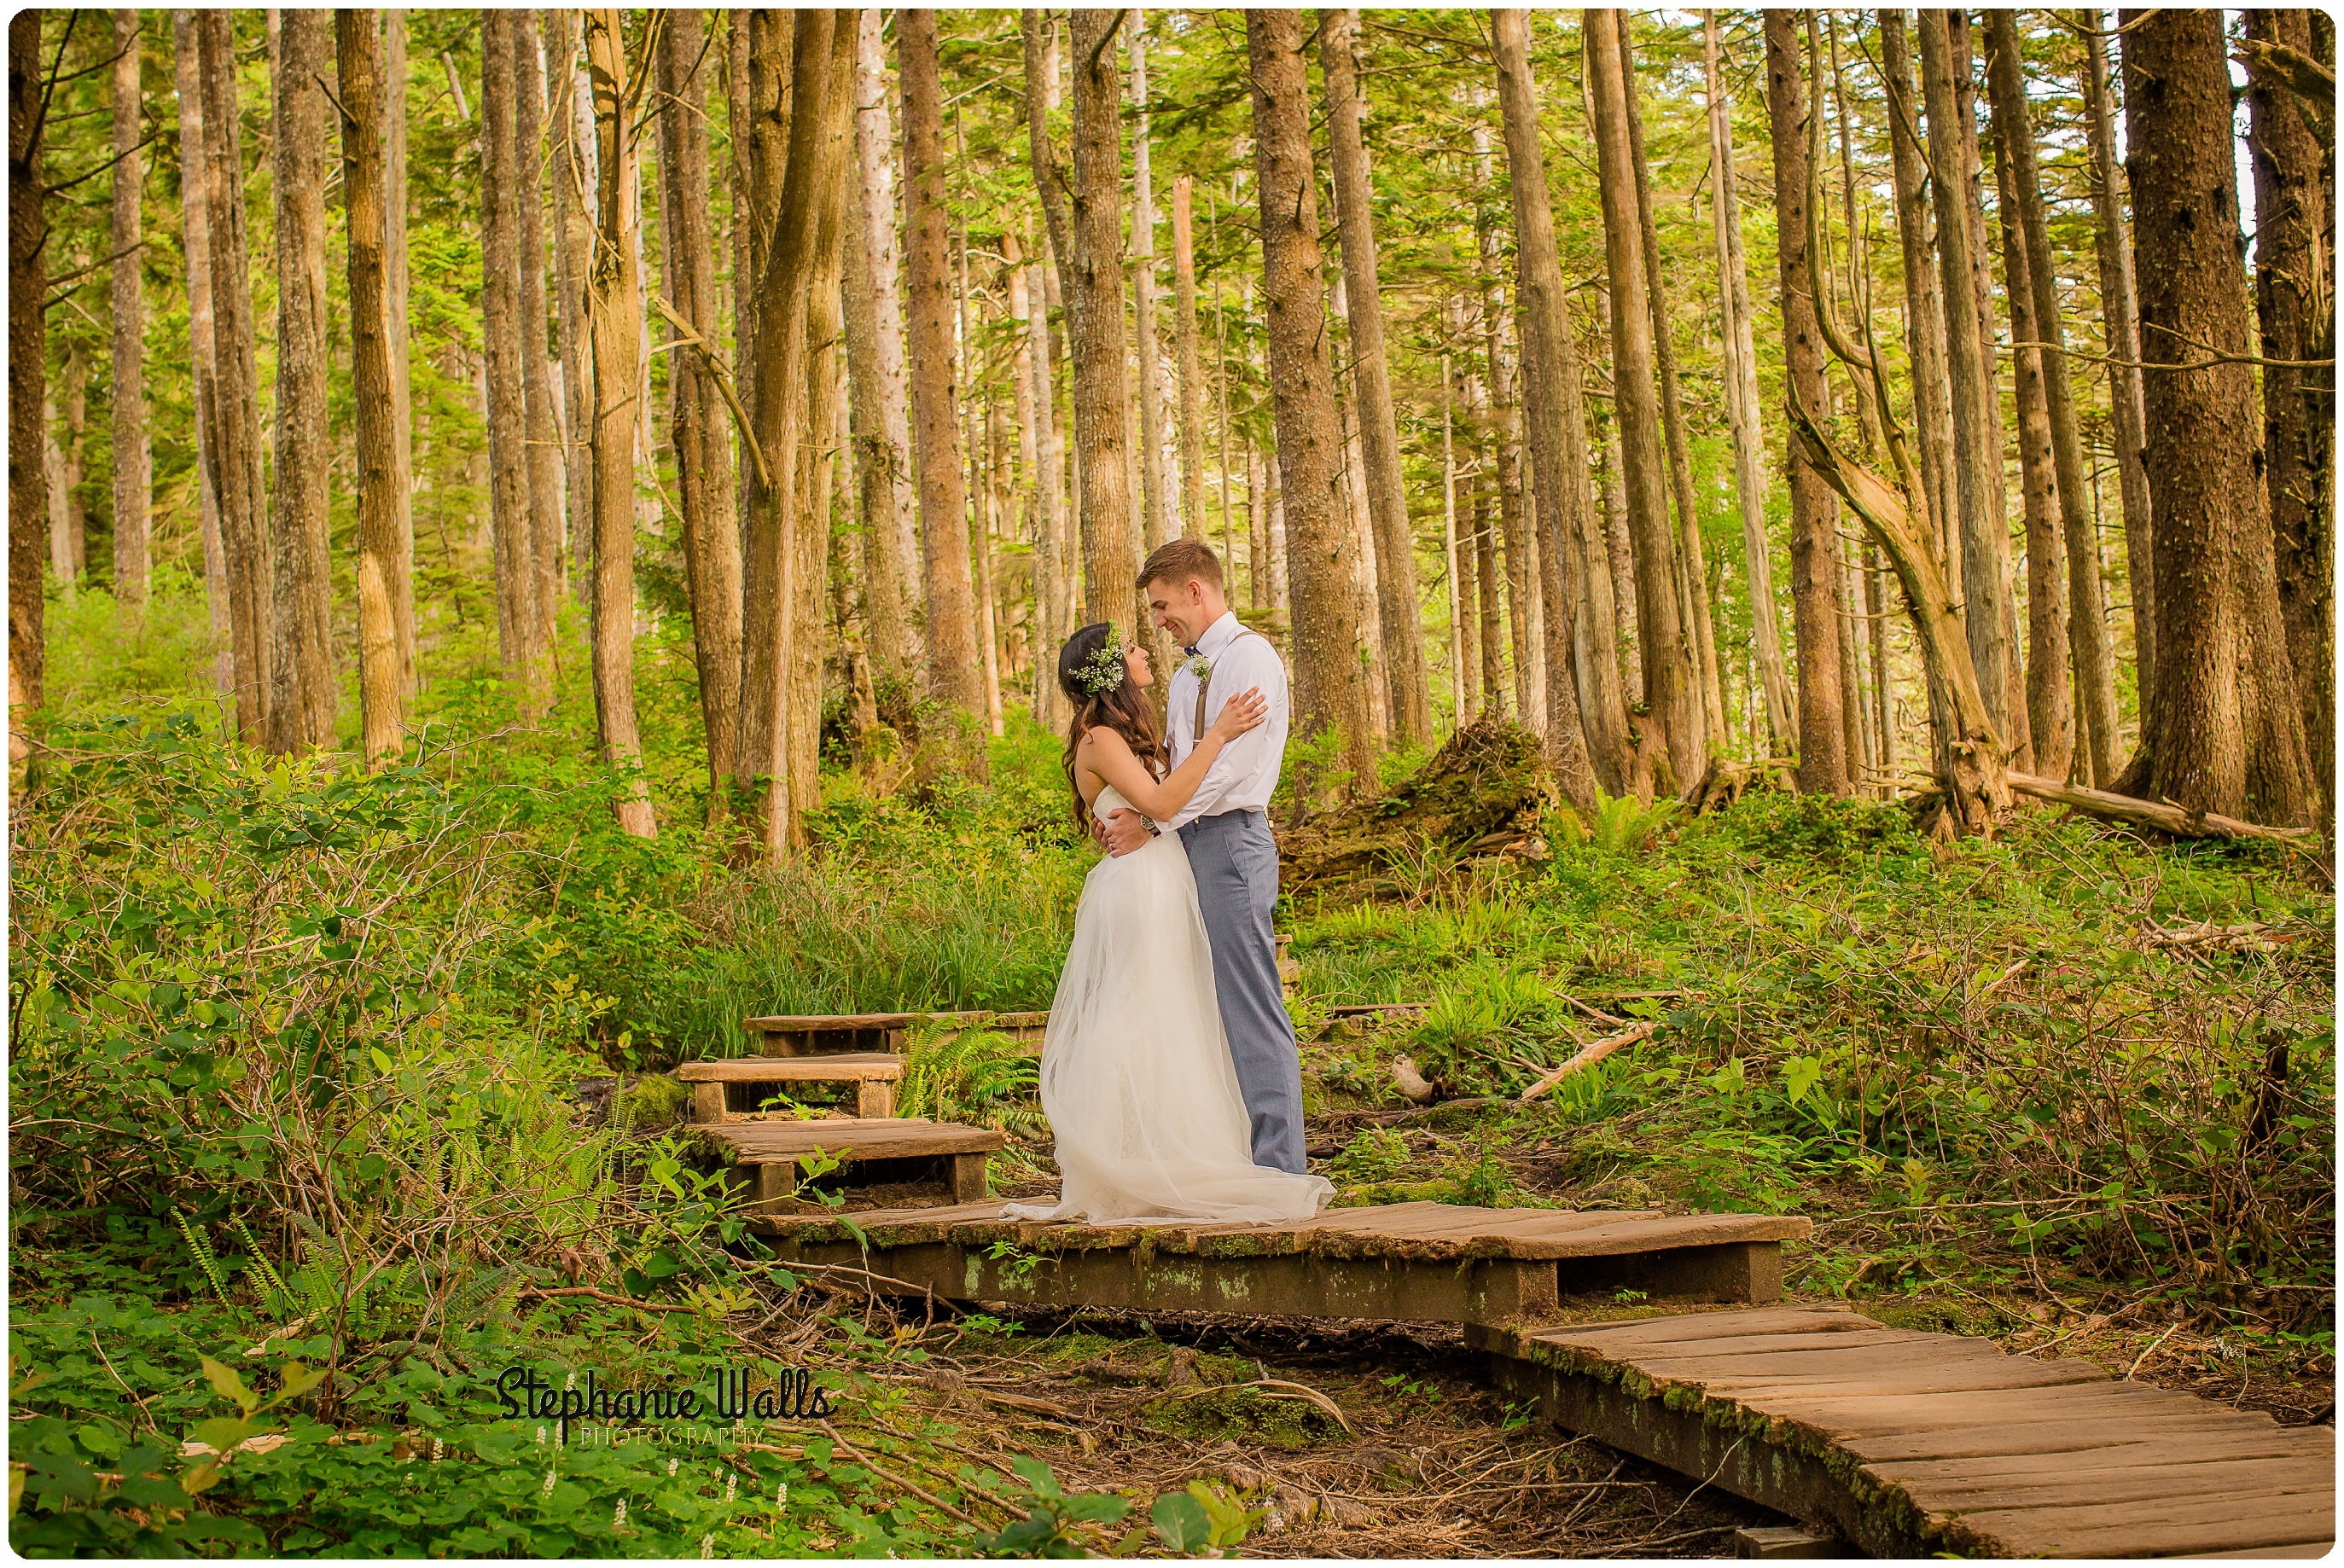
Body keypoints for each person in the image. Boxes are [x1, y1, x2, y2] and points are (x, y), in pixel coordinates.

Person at [1001, 617, 1333, 1224]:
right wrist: (1221, 733)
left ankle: (1177, 1148)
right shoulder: (1099, 736)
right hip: (1140, 888)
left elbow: (1156, 798)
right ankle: (1126, 1156)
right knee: (1139, 1014)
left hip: (1160, 877)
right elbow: (1160, 804)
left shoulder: (1119, 733)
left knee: (1170, 1015)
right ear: (1110, 671)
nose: (1143, 647)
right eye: (1130, 647)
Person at [1097, 538, 1308, 1177]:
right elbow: (1183, 763)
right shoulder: (1193, 670)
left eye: (1162, 606)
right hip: (1187, 845)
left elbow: (1228, 771)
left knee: (1248, 1003)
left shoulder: (1248, 660)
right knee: (1198, 1002)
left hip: (1229, 844)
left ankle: (1279, 1170)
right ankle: (1222, 1158)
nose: (1158, 621)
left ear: (1196, 590)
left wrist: (1155, 821)